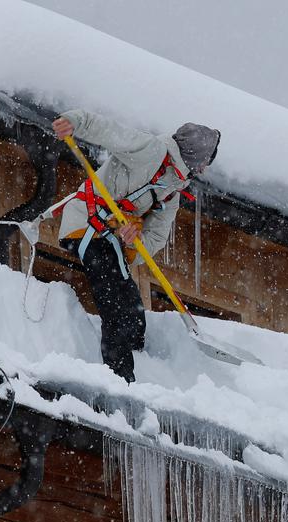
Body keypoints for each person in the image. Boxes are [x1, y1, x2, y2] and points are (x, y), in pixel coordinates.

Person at [48, 109, 221, 382]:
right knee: (116, 305)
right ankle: (119, 379)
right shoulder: (150, 151)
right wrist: (75, 122)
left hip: (110, 240)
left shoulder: (172, 192)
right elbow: (108, 130)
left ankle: (139, 359)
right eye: (205, 162)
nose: (204, 169)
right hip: (85, 224)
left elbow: (155, 239)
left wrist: (134, 242)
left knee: (133, 312)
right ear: (195, 159)